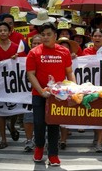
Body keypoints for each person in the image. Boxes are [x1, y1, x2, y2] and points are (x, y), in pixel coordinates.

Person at [26, 22, 76, 166]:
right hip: (38, 94)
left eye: (49, 34)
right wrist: (41, 91)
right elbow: (31, 74)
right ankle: (39, 147)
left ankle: (53, 154)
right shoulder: (34, 52)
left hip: (57, 95)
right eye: (43, 35)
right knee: (39, 123)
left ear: (55, 36)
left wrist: (73, 88)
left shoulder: (64, 52)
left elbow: (69, 72)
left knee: (54, 124)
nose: (45, 37)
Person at [0, 22, 23, 149]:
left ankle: (12, 126)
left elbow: (23, 63)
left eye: (5, 30)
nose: (2, 32)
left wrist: (16, 59)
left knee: (14, 109)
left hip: (14, 84)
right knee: (0, 112)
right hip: (0, 85)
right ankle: (3, 139)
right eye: (0, 30)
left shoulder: (16, 47)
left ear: (9, 32)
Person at [82, 28, 102, 153]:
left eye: (100, 36)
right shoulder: (86, 51)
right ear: (92, 37)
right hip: (90, 86)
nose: (97, 38)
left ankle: (99, 142)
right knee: (94, 113)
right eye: (95, 35)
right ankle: (96, 135)